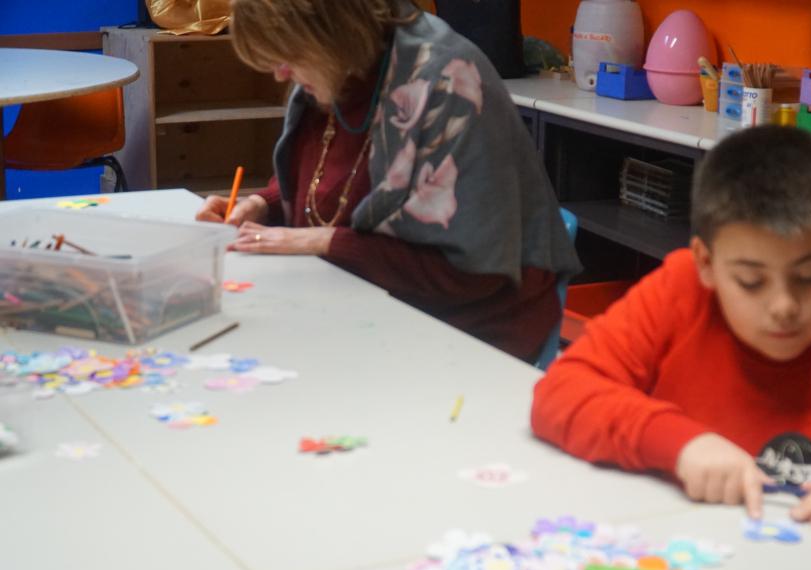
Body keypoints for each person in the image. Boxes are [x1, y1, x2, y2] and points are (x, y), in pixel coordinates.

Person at [531, 125, 811, 555]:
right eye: (750, 281)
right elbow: (560, 394)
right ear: (705, 262)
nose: (783, 306)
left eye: (808, 276)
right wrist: (681, 443)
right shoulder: (682, 291)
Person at [196, 0, 580, 363]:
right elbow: (334, 176)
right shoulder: (341, 63)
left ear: (330, 29)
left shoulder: (446, 80)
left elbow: (473, 272)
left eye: (288, 54)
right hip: (364, 298)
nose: (280, 73)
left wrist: (324, 241)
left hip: (473, 324)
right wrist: (265, 205)